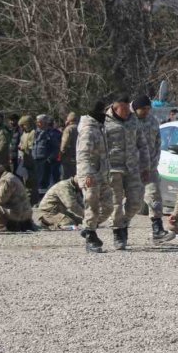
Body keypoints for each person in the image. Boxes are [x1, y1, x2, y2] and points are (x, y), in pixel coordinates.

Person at [76, 100, 114, 253]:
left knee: (108, 207)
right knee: (91, 206)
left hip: (102, 174)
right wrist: (87, 174)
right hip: (90, 175)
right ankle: (91, 237)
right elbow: (83, 154)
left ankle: (88, 228)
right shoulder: (88, 130)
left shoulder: (98, 128)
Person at [133, 95, 172, 241]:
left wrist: (154, 162)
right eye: (143, 109)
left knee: (154, 195)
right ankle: (120, 230)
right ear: (136, 108)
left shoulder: (152, 120)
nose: (146, 112)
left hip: (150, 166)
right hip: (131, 167)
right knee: (131, 200)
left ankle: (158, 229)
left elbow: (157, 142)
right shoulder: (128, 120)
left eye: (148, 109)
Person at [0, 162, 35, 232]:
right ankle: (21, 224)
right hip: (24, 211)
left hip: (19, 213)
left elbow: (0, 200)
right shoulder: (10, 177)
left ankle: (11, 225)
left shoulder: (5, 181)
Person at [32, 115, 60, 200]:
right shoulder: (36, 133)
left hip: (45, 160)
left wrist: (49, 159)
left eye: (39, 122)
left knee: (43, 181)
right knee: (37, 181)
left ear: (44, 123)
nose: (37, 124)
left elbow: (56, 148)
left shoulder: (50, 133)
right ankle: (39, 199)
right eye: (37, 122)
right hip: (36, 160)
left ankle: (44, 200)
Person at [18, 115, 38, 204]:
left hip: (31, 160)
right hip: (24, 159)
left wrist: (23, 148)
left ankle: (33, 200)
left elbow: (32, 146)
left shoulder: (33, 132)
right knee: (26, 181)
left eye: (24, 125)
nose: (22, 127)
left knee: (32, 180)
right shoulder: (24, 134)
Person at [59, 112, 79, 180]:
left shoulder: (68, 129)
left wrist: (61, 153)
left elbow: (64, 144)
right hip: (78, 155)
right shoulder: (80, 127)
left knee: (66, 175)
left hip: (68, 156)